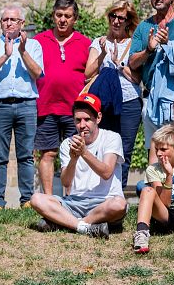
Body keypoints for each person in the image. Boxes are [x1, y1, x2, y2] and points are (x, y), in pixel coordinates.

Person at [30, 93, 127, 238]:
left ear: (98, 118)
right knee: (36, 199)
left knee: (119, 204)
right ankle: (85, 227)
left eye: (87, 120)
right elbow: (66, 182)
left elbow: (106, 173)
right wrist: (73, 159)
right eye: (78, 120)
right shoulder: (67, 144)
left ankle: (66, 223)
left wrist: (84, 153)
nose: (82, 126)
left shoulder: (112, 138)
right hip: (74, 203)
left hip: (104, 202)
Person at [0, 5, 44, 209]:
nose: (8, 23)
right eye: (5, 19)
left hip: (26, 105)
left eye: (13, 20)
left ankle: (27, 200)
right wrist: (5, 56)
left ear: (21, 24)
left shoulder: (33, 45)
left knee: (25, 155)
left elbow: (37, 73)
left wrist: (22, 51)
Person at [34, 0, 92, 194]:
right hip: (46, 106)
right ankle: (49, 199)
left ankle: (72, 197)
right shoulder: (38, 41)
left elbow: (93, 74)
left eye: (67, 16)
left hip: (74, 109)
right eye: (59, 15)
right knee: (48, 153)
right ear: (53, 16)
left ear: (74, 18)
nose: (62, 20)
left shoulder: (85, 43)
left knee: (74, 153)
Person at [85, 0, 141, 187]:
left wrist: (118, 64)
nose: (116, 21)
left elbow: (137, 79)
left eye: (121, 18)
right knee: (102, 147)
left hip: (129, 102)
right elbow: (88, 73)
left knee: (124, 149)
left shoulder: (134, 44)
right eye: (113, 16)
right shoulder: (98, 42)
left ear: (128, 21)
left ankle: (119, 194)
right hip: (104, 103)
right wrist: (102, 54)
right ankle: (100, 194)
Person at [129, 0, 174, 165]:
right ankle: (155, 192)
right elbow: (133, 62)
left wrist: (170, 45)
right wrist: (149, 50)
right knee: (154, 156)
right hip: (152, 100)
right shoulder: (144, 27)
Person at [133, 125, 174, 254]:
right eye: (156, 149)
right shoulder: (153, 170)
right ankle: (141, 235)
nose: (159, 153)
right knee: (147, 190)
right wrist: (169, 176)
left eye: (163, 149)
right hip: (167, 215)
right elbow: (165, 203)